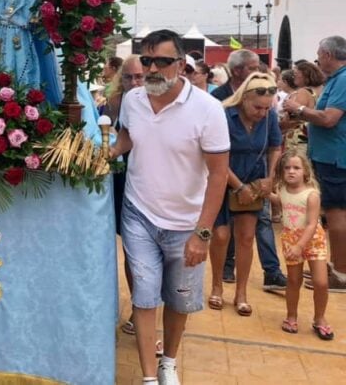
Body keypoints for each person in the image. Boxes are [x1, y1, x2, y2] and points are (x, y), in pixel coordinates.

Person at [110, 29, 230, 385]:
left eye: (162, 61)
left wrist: (202, 233)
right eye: (147, 61)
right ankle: (149, 377)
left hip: (187, 222)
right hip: (139, 214)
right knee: (145, 298)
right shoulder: (133, 100)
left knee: (179, 301)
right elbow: (128, 136)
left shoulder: (207, 110)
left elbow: (219, 175)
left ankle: (169, 362)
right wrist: (110, 152)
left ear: (181, 64)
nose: (153, 69)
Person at [208, 73, 282, 318]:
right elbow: (216, 156)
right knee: (219, 235)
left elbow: (275, 147)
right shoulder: (224, 114)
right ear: (244, 98)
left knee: (247, 237)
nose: (261, 113)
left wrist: (270, 177)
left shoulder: (269, 116)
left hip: (254, 180)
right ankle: (217, 285)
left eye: (266, 108)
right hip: (222, 179)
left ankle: (241, 292)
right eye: (257, 107)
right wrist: (239, 187)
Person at [283, 35, 346, 293]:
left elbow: (329, 118)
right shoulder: (336, 80)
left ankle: (340, 273)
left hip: (335, 157)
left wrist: (297, 110)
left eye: (319, 54)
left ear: (329, 55)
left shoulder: (342, 80)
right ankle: (335, 267)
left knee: (336, 212)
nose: (317, 59)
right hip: (329, 156)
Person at [101, 55, 145, 336]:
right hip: (117, 180)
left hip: (144, 181)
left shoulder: (154, 106)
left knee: (140, 249)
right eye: (128, 77)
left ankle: (142, 308)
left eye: (139, 77)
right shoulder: (111, 105)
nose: (134, 82)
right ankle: (139, 305)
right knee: (129, 248)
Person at [269, 152, 333, 339]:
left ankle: (319, 318)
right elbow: (281, 202)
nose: (291, 172)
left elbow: (312, 223)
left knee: (321, 282)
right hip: (290, 238)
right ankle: (291, 316)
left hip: (312, 240)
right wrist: (265, 193)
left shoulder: (311, 195)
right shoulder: (282, 190)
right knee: (293, 280)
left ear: (305, 171)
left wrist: (300, 245)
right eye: (287, 168)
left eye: (296, 168)